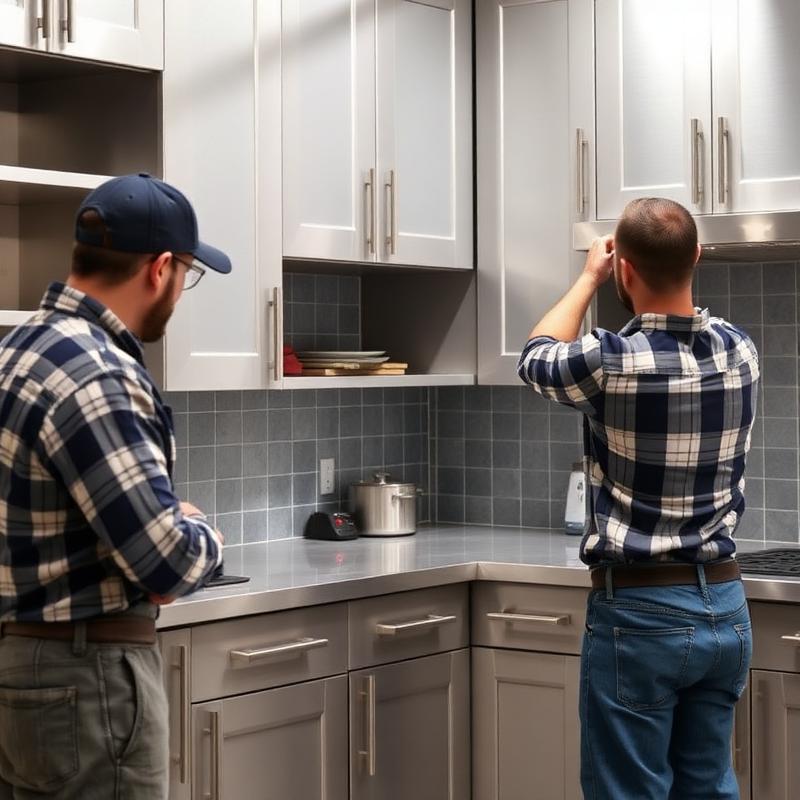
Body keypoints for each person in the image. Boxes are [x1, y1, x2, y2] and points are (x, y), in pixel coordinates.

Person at [518, 198, 758, 799]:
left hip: (641, 614)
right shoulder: (740, 351)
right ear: (697, 257)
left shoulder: (609, 361)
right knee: (709, 787)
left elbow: (536, 355)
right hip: (725, 607)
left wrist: (588, 276)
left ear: (624, 267)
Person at [0, 173, 229, 799]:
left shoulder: (18, 351)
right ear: (160, 269)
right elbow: (168, 561)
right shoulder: (96, 373)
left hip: (24, 667)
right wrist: (203, 530)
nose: (182, 290)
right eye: (188, 273)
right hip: (89, 675)